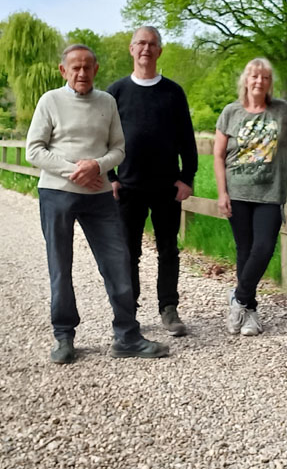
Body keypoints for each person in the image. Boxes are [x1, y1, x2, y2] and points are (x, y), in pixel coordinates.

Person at [26, 44, 169, 364]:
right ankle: (64, 336)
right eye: (75, 67)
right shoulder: (50, 101)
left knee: (118, 261)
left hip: (99, 196)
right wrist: (76, 171)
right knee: (60, 266)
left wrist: (97, 166)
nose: (81, 73)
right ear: (63, 70)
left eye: (87, 67)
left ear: (96, 69)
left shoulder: (107, 102)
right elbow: (34, 150)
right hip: (57, 193)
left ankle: (127, 335)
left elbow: (118, 149)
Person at [107, 26, 198, 337]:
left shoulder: (173, 92)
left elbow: (186, 138)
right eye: (141, 43)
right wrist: (110, 177)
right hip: (127, 187)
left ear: (160, 50)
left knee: (168, 250)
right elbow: (102, 138)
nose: (146, 49)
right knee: (128, 252)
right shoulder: (116, 92)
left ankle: (168, 308)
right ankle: (128, 310)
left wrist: (187, 177)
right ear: (131, 49)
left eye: (152, 44)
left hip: (166, 187)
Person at [213, 58, 287, 336]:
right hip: (237, 192)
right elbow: (218, 155)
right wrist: (222, 193)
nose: (259, 81)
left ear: (270, 83)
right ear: (246, 81)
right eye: (254, 76)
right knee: (245, 250)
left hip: (270, 193)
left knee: (263, 248)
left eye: (265, 77)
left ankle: (238, 299)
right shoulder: (231, 112)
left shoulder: (284, 111)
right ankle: (249, 312)